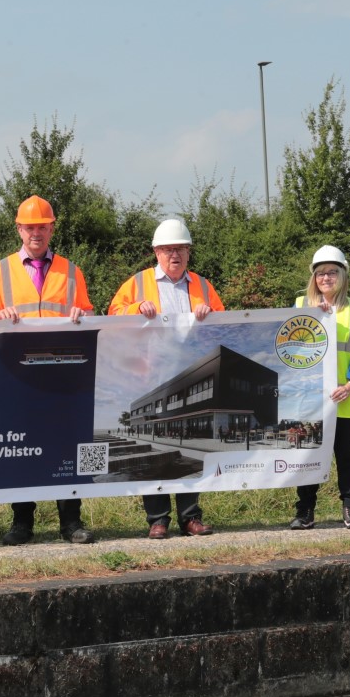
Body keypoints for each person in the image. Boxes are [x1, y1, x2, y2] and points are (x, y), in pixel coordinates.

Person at [0, 195, 96, 546]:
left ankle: (71, 522)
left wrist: (82, 316)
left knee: (66, 447)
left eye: (42, 226)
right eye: (30, 227)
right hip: (19, 378)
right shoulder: (1, 271)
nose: (36, 233)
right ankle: (22, 523)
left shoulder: (72, 272)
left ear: (52, 228)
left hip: (63, 378)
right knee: (22, 448)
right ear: (19, 229)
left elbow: (88, 314)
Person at [108, 218, 225, 539]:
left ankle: (191, 518)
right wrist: (134, 307)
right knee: (154, 448)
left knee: (189, 449)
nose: (175, 255)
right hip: (149, 380)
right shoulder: (137, 283)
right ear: (156, 252)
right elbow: (113, 315)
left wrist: (209, 314)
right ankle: (158, 520)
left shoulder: (202, 286)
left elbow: (221, 325)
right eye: (168, 249)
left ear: (188, 253)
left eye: (181, 249)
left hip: (190, 379)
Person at [289, 245, 350, 531]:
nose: (326, 278)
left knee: (346, 455)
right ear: (314, 277)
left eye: (332, 272)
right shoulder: (301, 306)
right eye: (321, 273)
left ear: (343, 275)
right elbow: (290, 351)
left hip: (345, 397)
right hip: (310, 400)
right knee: (308, 454)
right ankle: (305, 510)